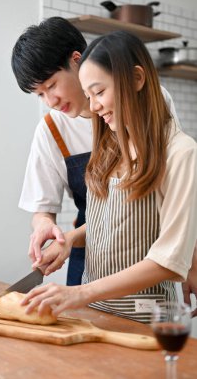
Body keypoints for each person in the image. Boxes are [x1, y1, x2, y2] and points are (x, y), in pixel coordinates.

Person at [21, 31, 197, 323]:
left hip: (144, 317)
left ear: (137, 80)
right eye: (89, 96)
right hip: (96, 311)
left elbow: (169, 249)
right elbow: (120, 220)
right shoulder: (109, 144)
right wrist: (67, 239)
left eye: (99, 93)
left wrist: (191, 262)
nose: (92, 107)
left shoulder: (178, 150)